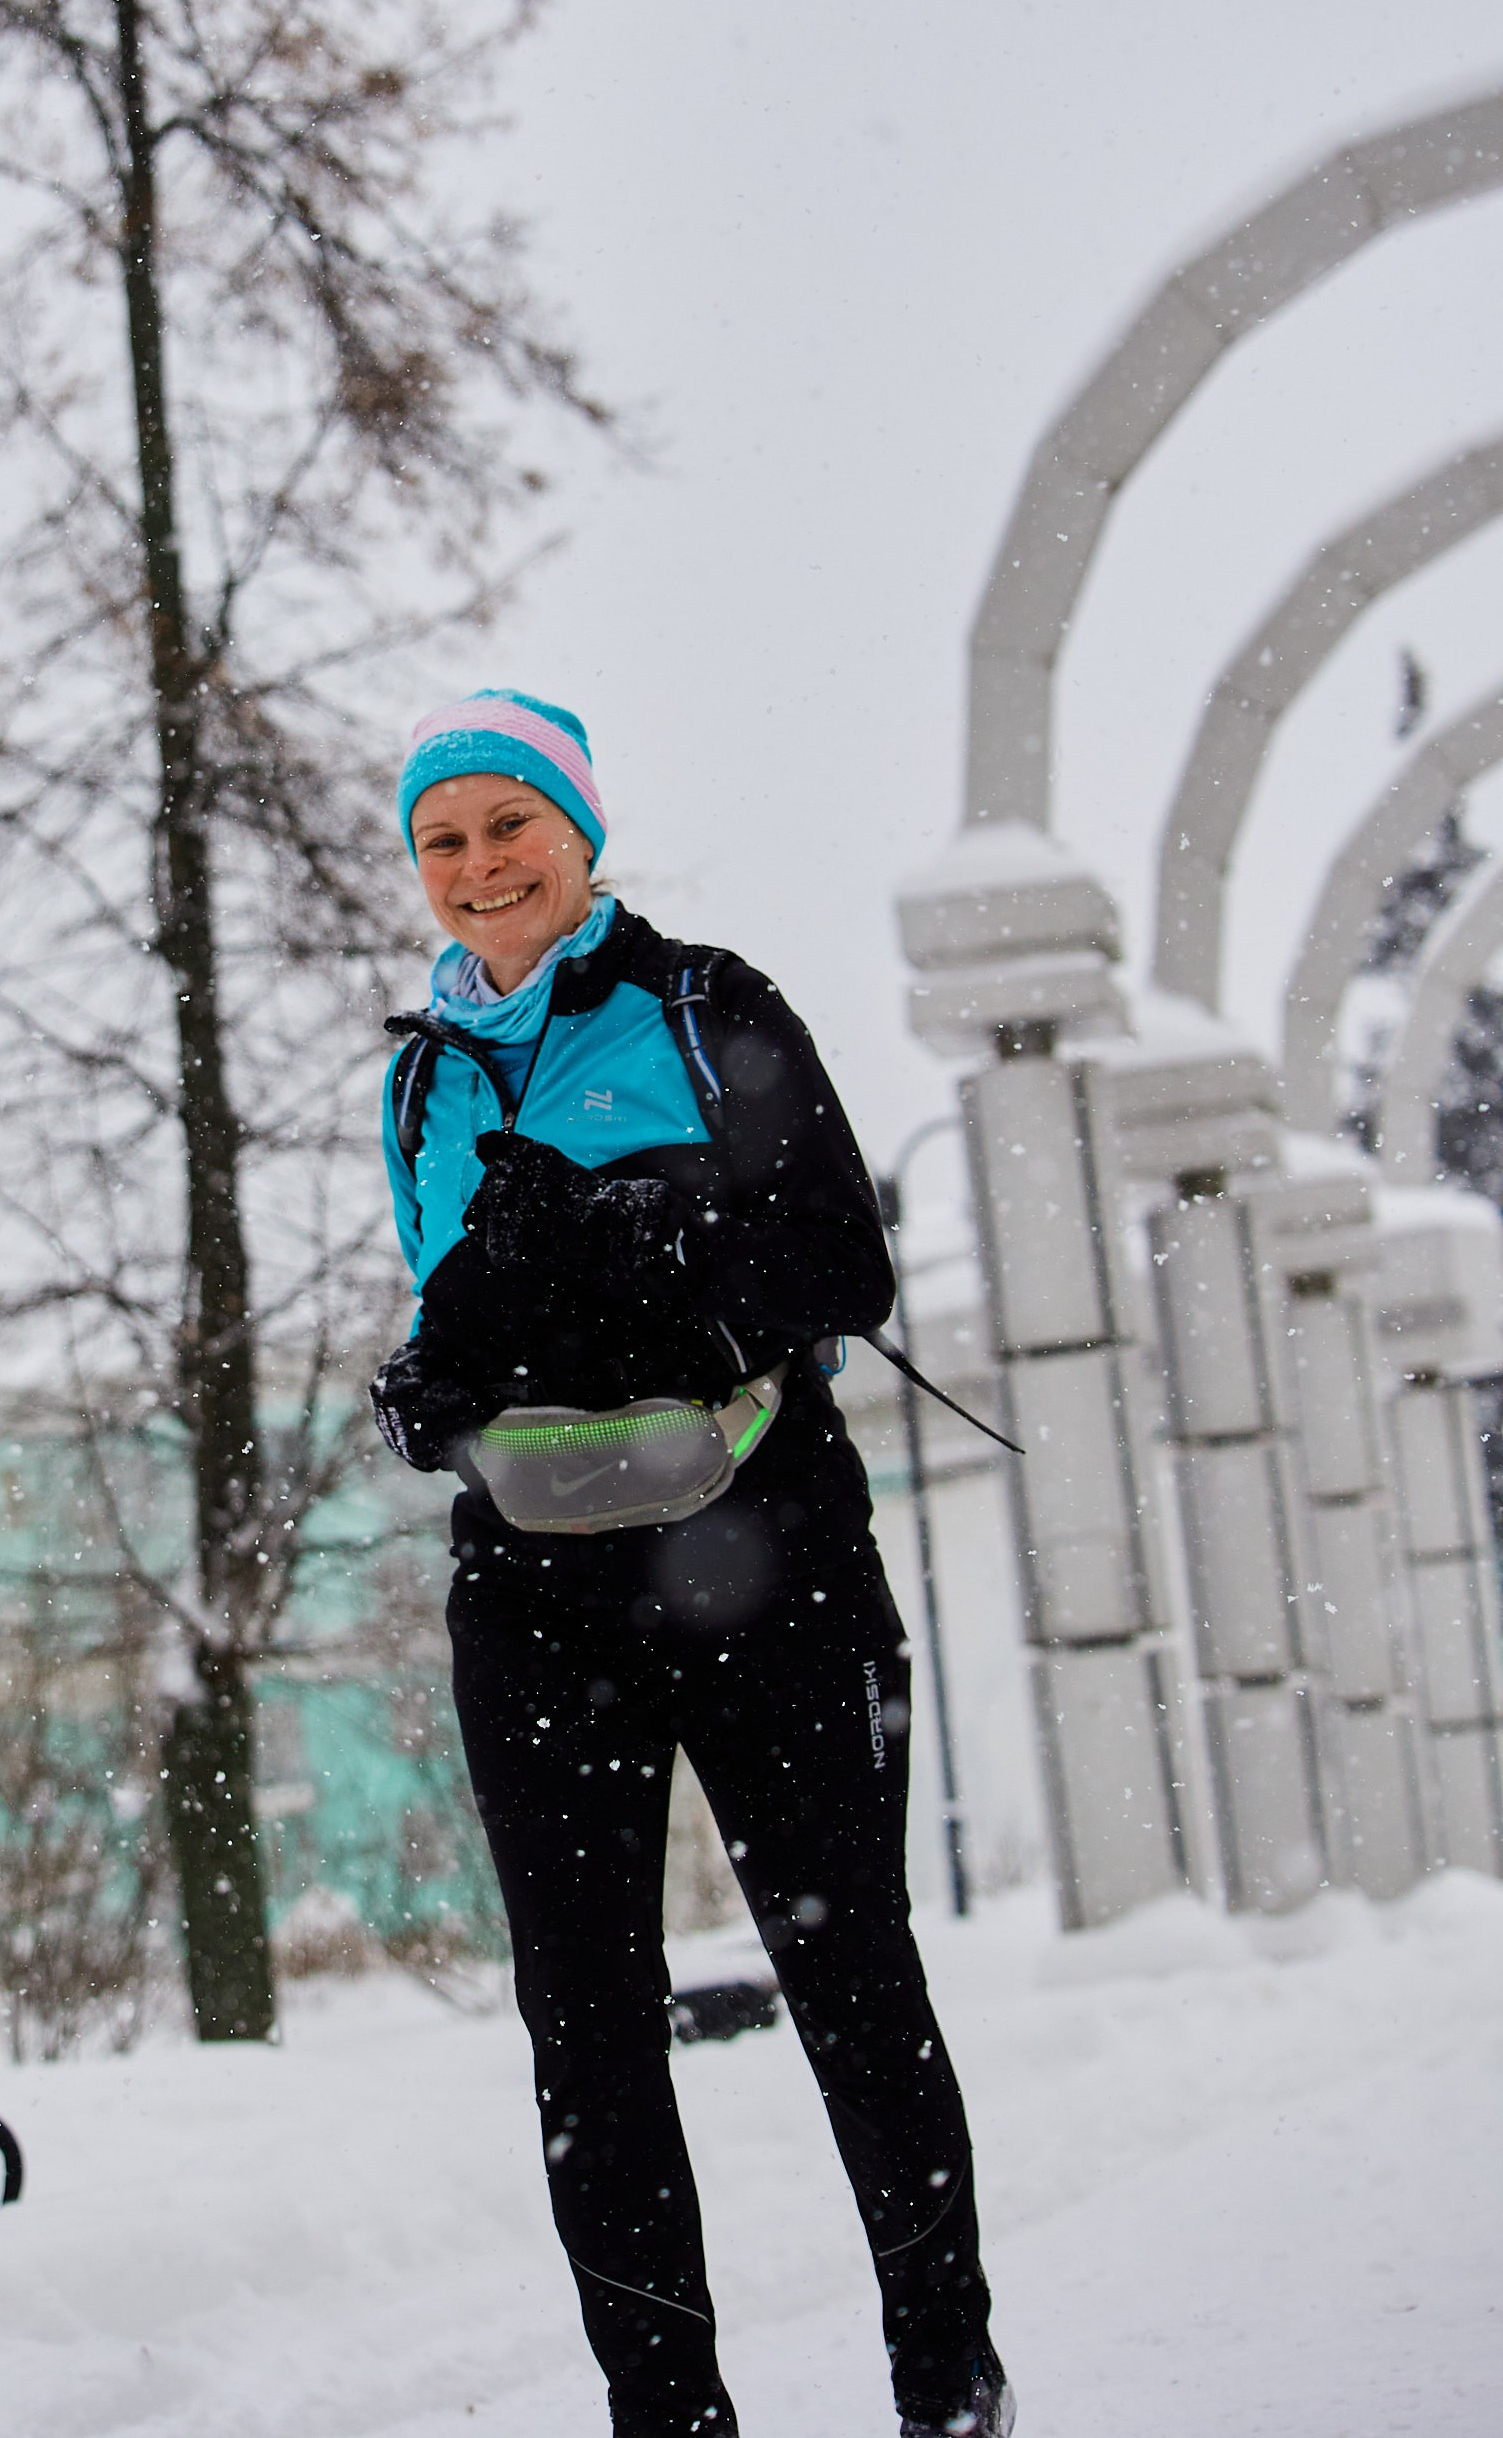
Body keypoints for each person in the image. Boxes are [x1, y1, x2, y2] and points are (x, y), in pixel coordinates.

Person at [370, 690, 1012, 2438]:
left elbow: (841, 1268)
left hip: (766, 1544)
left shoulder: (706, 1005)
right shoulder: (420, 1078)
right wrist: (430, 1391)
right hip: (538, 1580)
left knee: (850, 1976)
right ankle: (668, 2417)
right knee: (584, 2032)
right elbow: (457, 1313)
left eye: (511, 825)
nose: (482, 865)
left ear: (579, 833)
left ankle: (945, 2384)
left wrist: (654, 1239)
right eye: (445, 839)